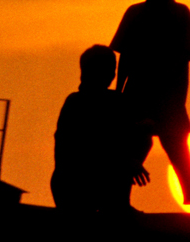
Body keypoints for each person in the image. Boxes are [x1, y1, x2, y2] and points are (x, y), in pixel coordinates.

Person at [110, 0, 190, 212]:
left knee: (178, 152)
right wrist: (119, 96)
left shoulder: (179, 13)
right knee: (132, 150)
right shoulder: (134, 13)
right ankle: (120, 202)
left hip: (168, 99)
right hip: (138, 97)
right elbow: (123, 58)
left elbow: (188, 52)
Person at [51, 45, 152, 215]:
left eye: (112, 69)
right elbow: (86, 147)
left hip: (95, 185)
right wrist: (126, 160)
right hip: (74, 187)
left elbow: (130, 131)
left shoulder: (115, 102)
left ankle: (118, 202)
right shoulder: (76, 104)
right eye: (108, 69)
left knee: (142, 133)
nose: (112, 74)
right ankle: (116, 203)